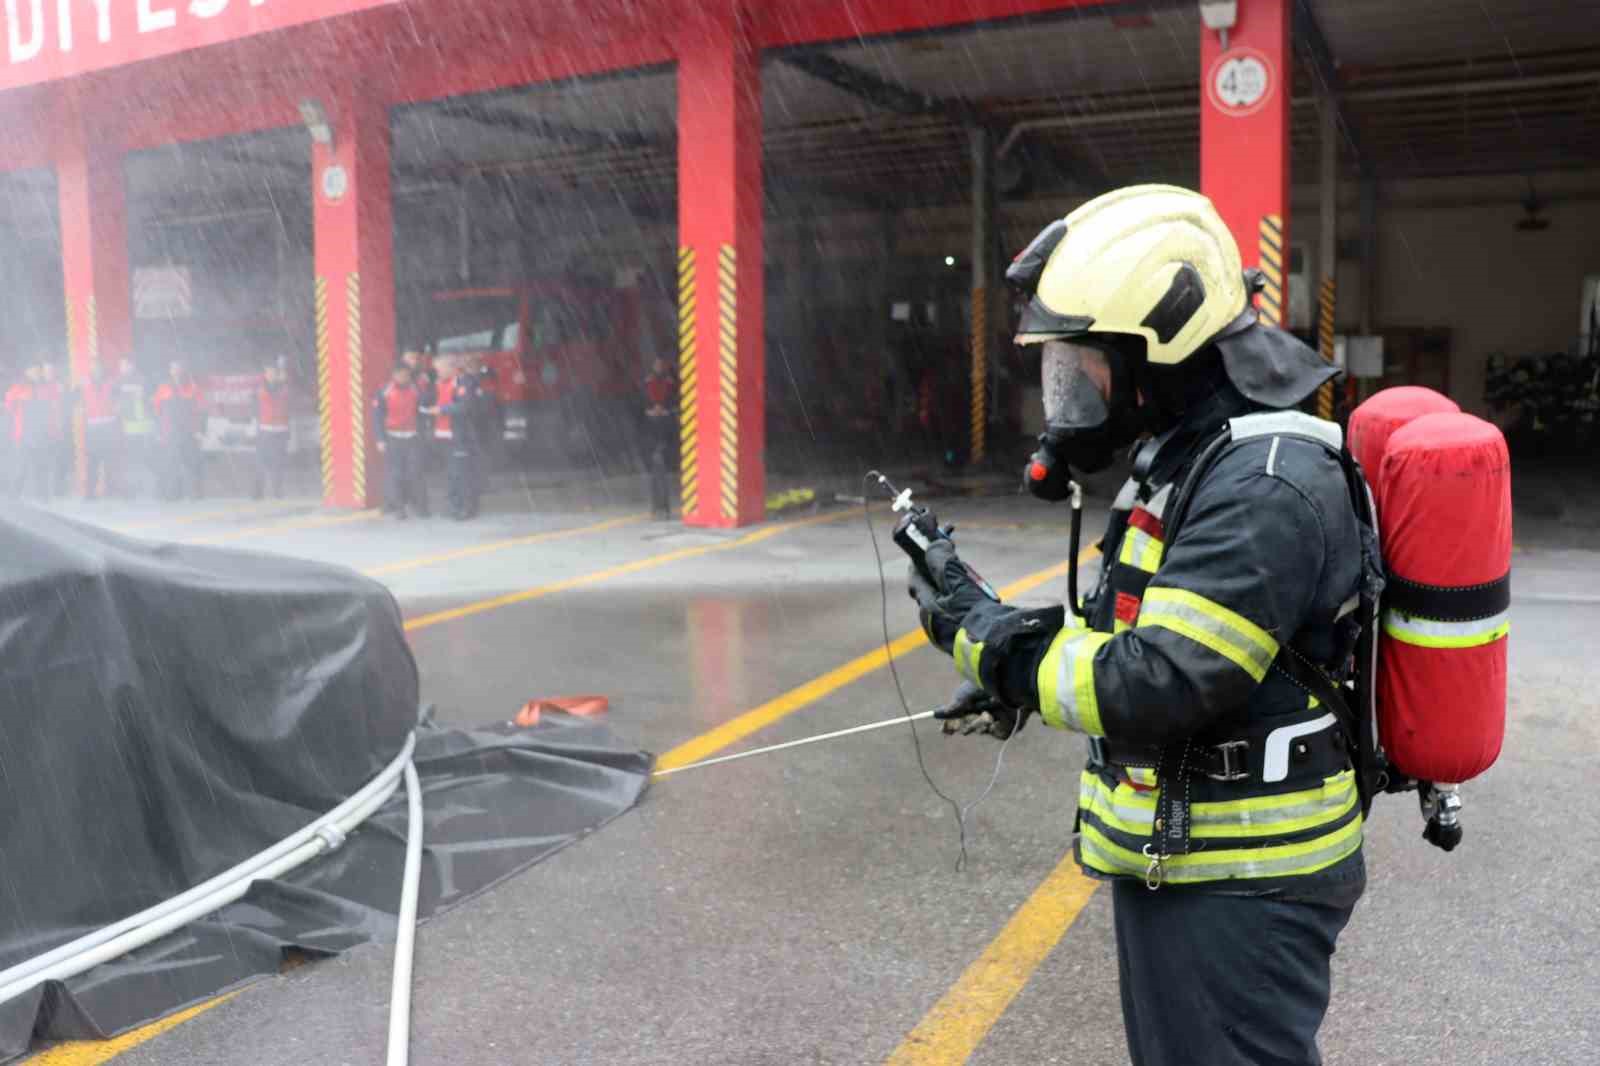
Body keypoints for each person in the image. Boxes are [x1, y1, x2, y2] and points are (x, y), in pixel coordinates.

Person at [907, 186, 1364, 1066]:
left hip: (1243, 878)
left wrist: (994, 646)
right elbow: (1137, 635)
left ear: (1161, 349)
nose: (1074, 389)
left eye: (1086, 362)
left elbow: (1160, 680)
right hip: (1198, 857)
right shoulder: (1196, 457)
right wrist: (1019, 674)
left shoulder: (1263, 483)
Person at [373, 361, 429, 519]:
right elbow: (377, 417)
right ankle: (399, 508)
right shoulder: (384, 392)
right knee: (395, 474)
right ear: (394, 375)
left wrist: (423, 434)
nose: (403, 378)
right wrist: (380, 439)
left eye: (406, 375)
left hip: (412, 438)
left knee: (415, 473)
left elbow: (422, 412)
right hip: (393, 438)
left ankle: (421, 507)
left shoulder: (417, 390)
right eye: (400, 375)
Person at [435, 356, 485, 520]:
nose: (438, 373)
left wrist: (441, 410)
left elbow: (464, 407)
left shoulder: (465, 383)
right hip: (447, 434)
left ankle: (466, 507)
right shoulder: (444, 383)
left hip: (462, 435)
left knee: (462, 472)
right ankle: (455, 506)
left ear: (451, 368)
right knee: (452, 472)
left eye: (440, 369)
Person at [152, 361, 205, 500]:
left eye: (178, 369)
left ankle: (194, 493)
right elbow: (157, 411)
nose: (175, 372)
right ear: (170, 371)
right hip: (171, 432)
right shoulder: (163, 388)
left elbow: (200, 409)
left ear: (183, 370)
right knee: (171, 463)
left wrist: (199, 430)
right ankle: (173, 494)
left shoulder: (192, 387)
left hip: (189, 431)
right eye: (173, 369)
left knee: (191, 462)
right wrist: (159, 431)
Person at [78, 360, 123, 499]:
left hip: (108, 425)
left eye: (98, 368)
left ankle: (111, 491)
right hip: (92, 427)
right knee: (92, 461)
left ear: (102, 369)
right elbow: (75, 398)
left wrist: (117, 408)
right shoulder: (84, 383)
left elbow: (119, 398)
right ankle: (90, 492)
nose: (97, 371)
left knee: (110, 460)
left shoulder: (111, 383)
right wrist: (81, 408)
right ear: (91, 369)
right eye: (94, 368)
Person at [642, 356, 675, 519]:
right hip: (652, 430)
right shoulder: (647, 383)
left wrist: (665, 410)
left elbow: (675, 402)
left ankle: (664, 509)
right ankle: (656, 508)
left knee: (663, 475)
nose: (659, 367)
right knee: (654, 476)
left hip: (664, 429)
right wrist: (650, 411)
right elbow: (641, 404)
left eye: (661, 364)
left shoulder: (670, 383)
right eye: (656, 364)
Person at [117, 357, 154, 497]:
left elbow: (147, 400)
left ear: (131, 366)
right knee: (133, 459)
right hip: (131, 426)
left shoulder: (140, 380)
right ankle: (134, 489)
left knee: (139, 459)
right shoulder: (121, 381)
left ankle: (142, 489)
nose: (121, 368)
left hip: (139, 426)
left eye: (123, 365)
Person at [253, 362, 291, 499]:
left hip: (280, 430)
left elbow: (288, 404)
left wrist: (283, 382)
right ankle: (258, 492)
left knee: (278, 463)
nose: (271, 375)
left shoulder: (284, 387)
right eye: (268, 372)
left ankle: (277, 491)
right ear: (265, 374)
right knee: (261, 462)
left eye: (274, 372)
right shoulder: (261, 387)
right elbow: (262, 400)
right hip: (265, 430)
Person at [36, 360, 69, 498]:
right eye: (47, 371)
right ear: (43, 372)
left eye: (51, 370)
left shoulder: (60, 386)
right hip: (43, 431)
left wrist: (64, 393)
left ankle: (58, 490)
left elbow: (66, 405)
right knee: (43, 462)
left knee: (60, 461)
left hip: (59, 429)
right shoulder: (38, 387)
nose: (49, 373)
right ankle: (42, 491)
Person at [5, 365, 37, 497]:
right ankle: (15, 490)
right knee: (19, 462)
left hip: (31, 432)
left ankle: (25, 490)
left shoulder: (31, 389)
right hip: (19, 433)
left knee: (29, 462)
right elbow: (8, 410)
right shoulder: (14, 390)